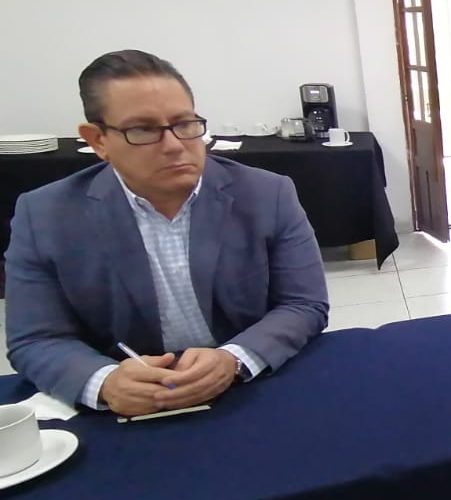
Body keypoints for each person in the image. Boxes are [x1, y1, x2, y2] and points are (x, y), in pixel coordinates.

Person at [4, 50, 329, 415]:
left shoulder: (267, 194)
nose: (174, 145)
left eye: (184, 124)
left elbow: (304, 304)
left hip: (246, 391)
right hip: (129, 406)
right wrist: (104, 381)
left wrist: (233, 358)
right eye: (143, 130)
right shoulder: (45, 215)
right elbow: (36, 338)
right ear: (98, 140)